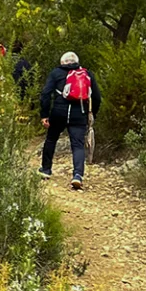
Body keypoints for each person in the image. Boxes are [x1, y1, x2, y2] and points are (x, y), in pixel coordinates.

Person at [38, 51, 98, 189]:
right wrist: (92, 114)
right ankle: (77, 175)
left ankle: (46, 170)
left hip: (59, 112)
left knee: (51, 139)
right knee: (78, 145)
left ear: (62, 62)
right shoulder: (87, 74)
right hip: (79, 114)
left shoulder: (56, 73)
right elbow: (96, 97)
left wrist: (44, 115)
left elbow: (46, 94)